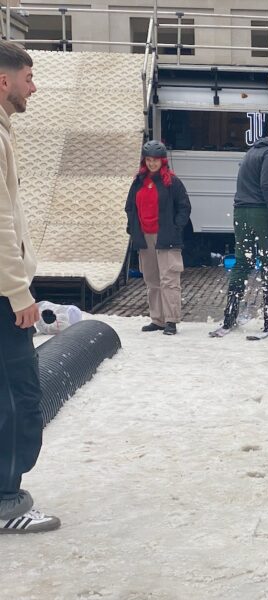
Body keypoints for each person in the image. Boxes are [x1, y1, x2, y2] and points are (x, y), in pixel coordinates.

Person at [0, 41, 60, 534]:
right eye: (28, 78)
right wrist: (19, 292)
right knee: (18, 396)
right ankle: (5, 501)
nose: (33, 87)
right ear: (5, 81)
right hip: (2, 297)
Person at [210, 123, 268, 337]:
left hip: (241, 212)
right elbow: (267, 184)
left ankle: (229, 317)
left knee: (242, 262)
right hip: (260, 213)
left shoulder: (252, 151)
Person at [125, 141, 191, 335]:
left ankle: (171, 320)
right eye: (149, 160)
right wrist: (133, 228)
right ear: (144, 161)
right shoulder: (138, 181)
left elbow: (184, 206)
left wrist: (176, 227)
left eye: (156, 160)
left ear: (162, 161)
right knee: (152, 279)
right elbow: (130, 206)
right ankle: (158, 319)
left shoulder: (172, 182)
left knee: (169, 279)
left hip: (166, 237)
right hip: (145, 238)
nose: (152, 164)